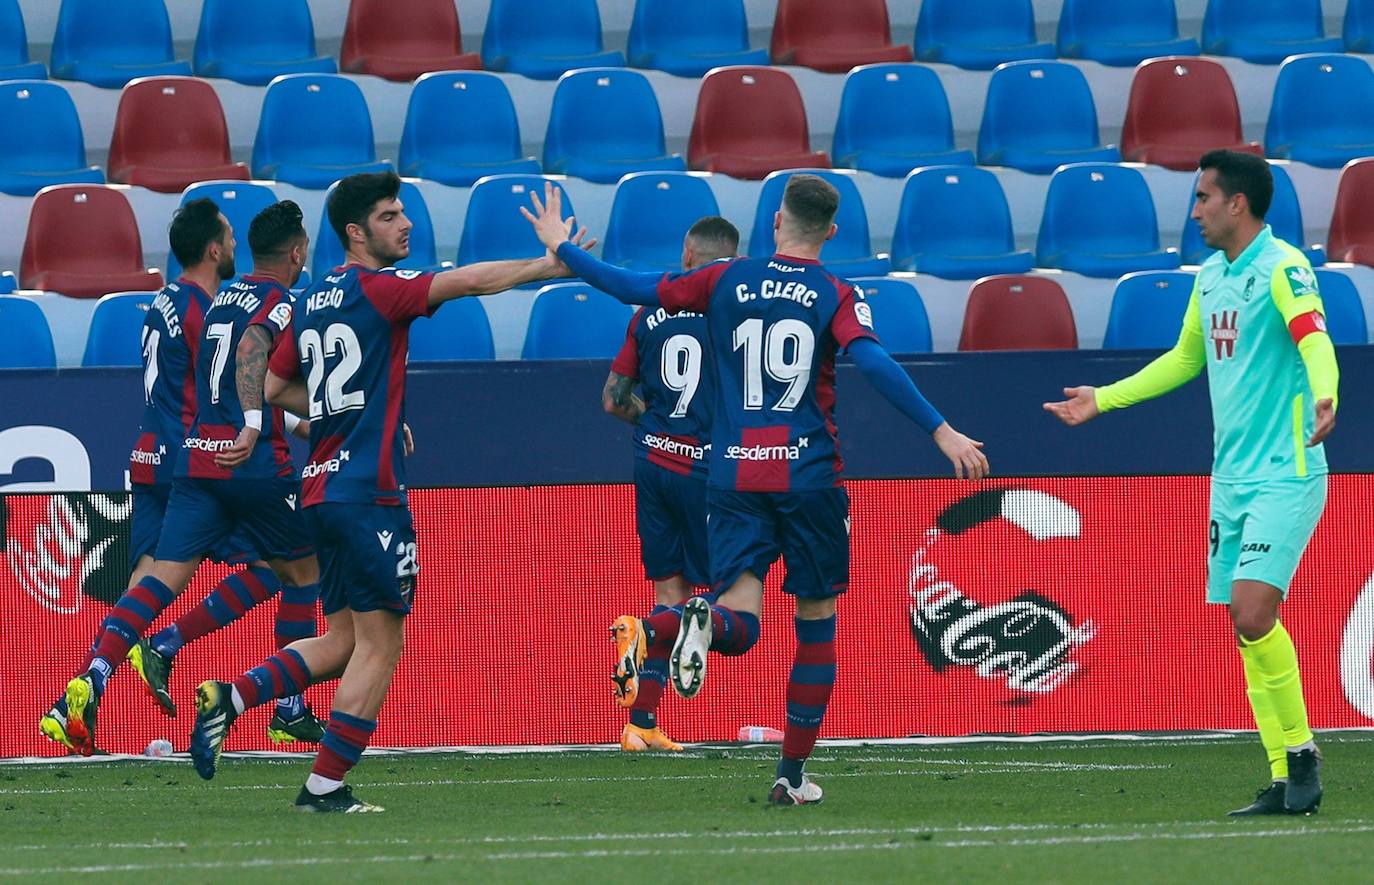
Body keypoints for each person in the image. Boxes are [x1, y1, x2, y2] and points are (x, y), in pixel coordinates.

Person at [525, 176, 989, 804]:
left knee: (739, 615)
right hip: (809, 475)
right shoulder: (835, 291)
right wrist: (941, 429)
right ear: (831, 231)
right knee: (815, 622)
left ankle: (684, 621)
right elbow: (873, 361)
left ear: (775, 221)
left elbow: (630, 287)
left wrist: (564, 248)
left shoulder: (726, 278)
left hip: (734, 473)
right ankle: (790, 776)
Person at [189, 170, 581, 813]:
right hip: (369, 496)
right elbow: (469, 280)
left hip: (317, 491)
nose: (406, 224)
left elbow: (278, 385)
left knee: (343, 642)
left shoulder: (312, 299)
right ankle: (324, 786)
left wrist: (344, 415)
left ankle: (229, 697)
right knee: (381, 645)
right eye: (391, 215)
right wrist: (550, 260)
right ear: (355, 231)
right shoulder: (383, 289)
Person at [1044, 150, 1337, 816]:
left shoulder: (1284, 267)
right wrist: (1105, 398)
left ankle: (1303, 757)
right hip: (1230, 477)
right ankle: (1285, 773)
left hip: (1286, 471)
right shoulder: (1209, 276)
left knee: (1254, 610)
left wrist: (1327, 394)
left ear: (1238, 203)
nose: (1195, 209)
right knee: (1244, 624)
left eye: (1204, 197)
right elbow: (1184, 357)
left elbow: (1315, 339)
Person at [40, 199, 294, 756]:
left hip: (147, 456)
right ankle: (180, 650)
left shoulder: (160, 301)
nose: (233, 246)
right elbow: (233, 389)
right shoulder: (210, 310)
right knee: (279, 566)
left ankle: (76, 700)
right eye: (228, 237)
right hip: (193, 461)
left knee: (142, 590)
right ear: (213, 248)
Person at [127, 200, 326, 746]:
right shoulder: (269, 302)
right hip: (241, 460)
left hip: (182, 456)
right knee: (298, 573)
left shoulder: (208, 300)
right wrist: (263, 423)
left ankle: (118, 668)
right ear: (298, 252)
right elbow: (252, 363)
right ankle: (286, 705)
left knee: (170, 576)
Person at [604, 216, 739, 753]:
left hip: (653, 463)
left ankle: (640, 723)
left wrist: (656, 426)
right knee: (731, 597)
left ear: (687, 253)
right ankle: (641, 633)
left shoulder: (648, 314)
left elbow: (614, 399)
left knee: (670, 594)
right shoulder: (734, 312)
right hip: (709, 472)